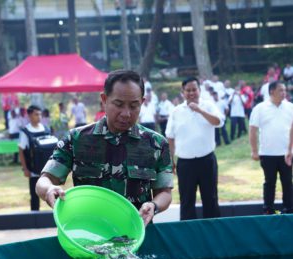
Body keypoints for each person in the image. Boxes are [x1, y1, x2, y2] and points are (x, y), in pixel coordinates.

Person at [36, 70, 173, 226]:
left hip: (136, 231)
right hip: (89, 232)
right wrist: (48, 189)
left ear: (142, 103)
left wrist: (154, 206)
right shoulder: (76, 139)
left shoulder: (156, 143)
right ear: (104, 99)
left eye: (134, 106)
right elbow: (44, 180)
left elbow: (165, 192)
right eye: (119, 104)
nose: (126, 113)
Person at [166, 77, 224, 220]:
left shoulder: (209, 106)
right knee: (186, 200)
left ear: (199, 90)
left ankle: (213, 231)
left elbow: (219, 122)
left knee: (210, 198)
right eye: (188, 90)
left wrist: (199, 110)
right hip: (185, 163)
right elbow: (170, 137)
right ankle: (187, 234)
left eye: (194, 89)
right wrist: (170, 160)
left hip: (207, 160)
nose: (191, 93)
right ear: (183, 92)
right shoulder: (176, 111)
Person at [249, 81, 293, 214]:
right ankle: (268, 209)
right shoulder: (260, 108)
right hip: (267, 153)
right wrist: (254, 151)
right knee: (269, 182)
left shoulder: (290, 107)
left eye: (285, 90)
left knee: (287, 182)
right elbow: (252, 130)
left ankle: (289, 208)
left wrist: (290, 150)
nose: (284, 93)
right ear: (271, 91)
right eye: (280, 90)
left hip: (287, 153)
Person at [19, 105, 47, 211]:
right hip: (34, 171)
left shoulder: (46, 129)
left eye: (40, 114)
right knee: (34, 196)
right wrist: (25, 169)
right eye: (36, 114)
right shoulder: (26, 132)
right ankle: (34, 218)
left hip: (47, 170)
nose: (39, 116)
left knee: (52, 194)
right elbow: (21, 151)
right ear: (29, 115)